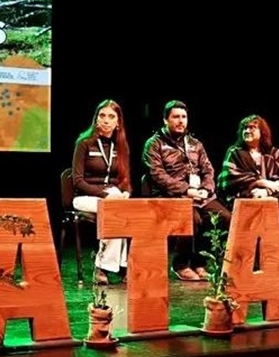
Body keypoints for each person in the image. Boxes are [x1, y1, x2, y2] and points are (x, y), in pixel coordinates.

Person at [142, 100, 231, 281]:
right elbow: (157, 175)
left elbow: (208, 169)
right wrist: (187, 190)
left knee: (225, 217)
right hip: (171, 196)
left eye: (184, 117)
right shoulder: (154, 144)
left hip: (200, 196)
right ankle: (180, 264)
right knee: (193, 219)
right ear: (165, 120)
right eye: (176, 117)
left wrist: (206, 189)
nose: (181, 121)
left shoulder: (195, 143)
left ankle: (199, 262)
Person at [217, 114, 279, 282]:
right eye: (245, 128)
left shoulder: (274, 153)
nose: (247, 131)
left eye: (252, 127)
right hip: (246, 198)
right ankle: (254, 266)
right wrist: (259, 182)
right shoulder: (234, 152)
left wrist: (268, 192)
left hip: (274, 198)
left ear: (262, 132)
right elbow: (227, 179)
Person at [71, 99, 132, 285]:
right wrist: (105, 195)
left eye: (111, 117)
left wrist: (126, 193)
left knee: (127, 210)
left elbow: (125, 180)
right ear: (96, 119)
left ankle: (122, 265)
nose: (106, 120)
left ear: (118, 122)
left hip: (113, 197)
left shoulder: (121, 146)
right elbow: (77, 181)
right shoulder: (84, 143)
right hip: (84, 197)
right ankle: (103, 267)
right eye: (102, 116)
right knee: (113, 209)